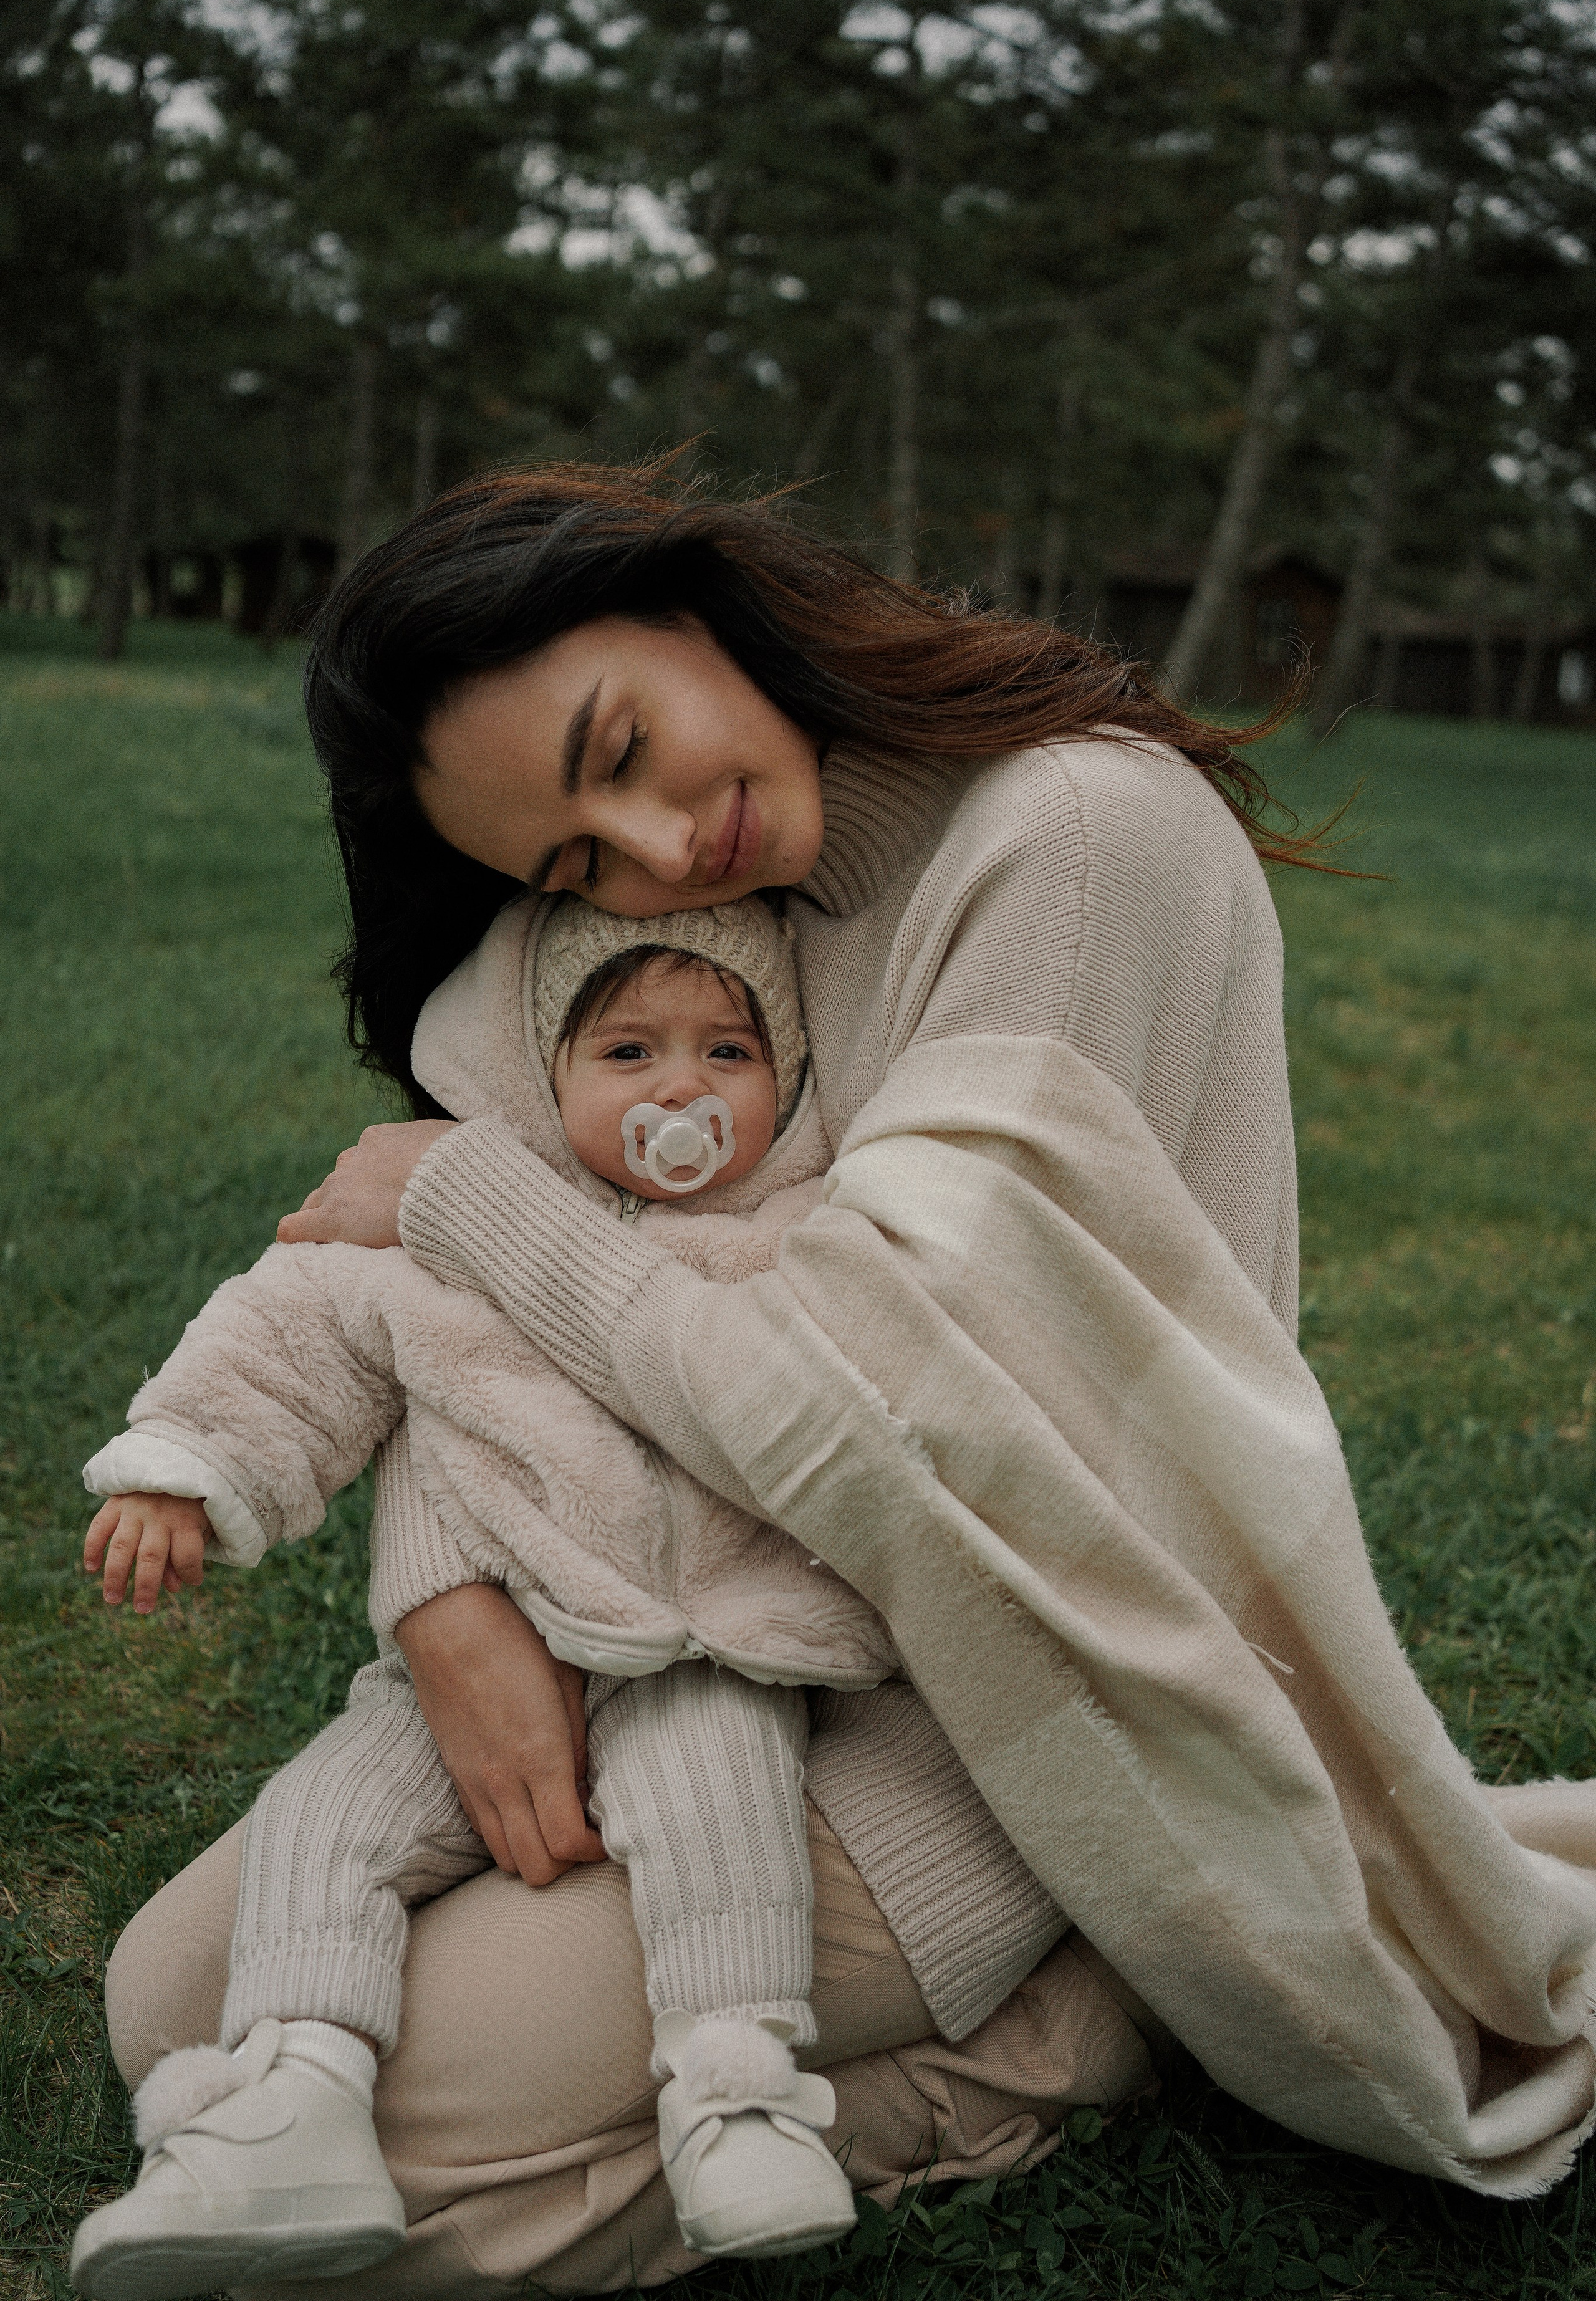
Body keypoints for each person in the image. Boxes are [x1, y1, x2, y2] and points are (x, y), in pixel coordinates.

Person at [100, 464, 1596, 2300]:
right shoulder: (732, 896)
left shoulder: (1070, 848)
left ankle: (1070, 2029)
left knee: (395, 2193)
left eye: (624, 744)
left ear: (698, 607)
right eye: (571, 861)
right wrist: (444, 1595)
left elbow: (881, 1420)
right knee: (178, 2022)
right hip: (679, 1641)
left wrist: (476, 1199)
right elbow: (447, 1328)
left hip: (1014, 1692)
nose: (657, 853)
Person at [77, 893, 1017, 2296]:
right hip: (488, 1646)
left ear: (791, 1078)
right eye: (628, 1054)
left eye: (726, 1054)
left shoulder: (806, 1238)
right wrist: (187, 1465)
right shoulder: (442, 1232)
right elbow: (295, 1326)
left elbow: (867, 1396)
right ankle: (299, 2091)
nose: (681, 1090)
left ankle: (735, 2090)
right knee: (329, 1820)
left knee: (718, 1804)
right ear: (548, 1073)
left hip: (713, 1644)